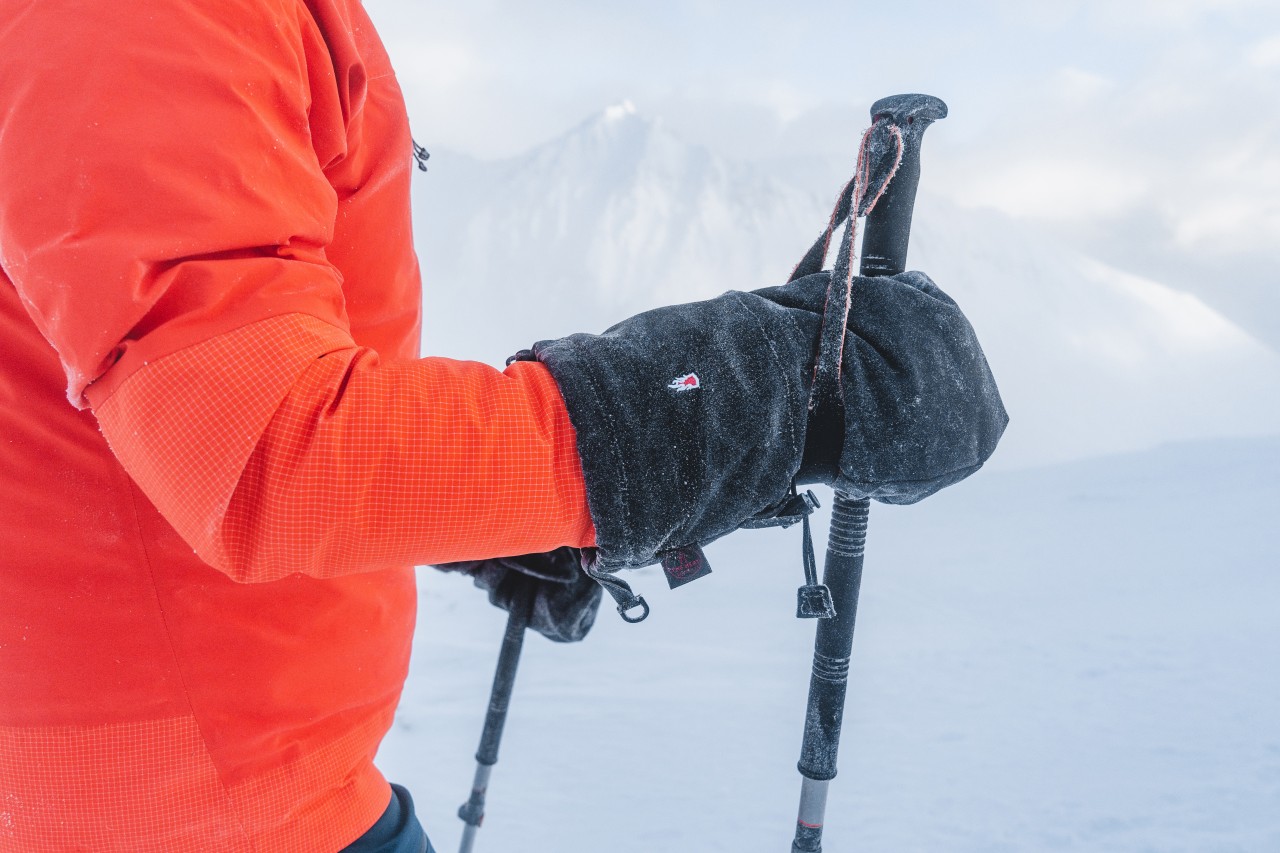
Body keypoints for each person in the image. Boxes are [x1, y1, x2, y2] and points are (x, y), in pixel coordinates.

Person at [0, 2, 1006, 851]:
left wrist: (491, 504)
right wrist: (758, 399)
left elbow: (153, 384)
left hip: (214, 775)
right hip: (198, 809)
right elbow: (264, 449)